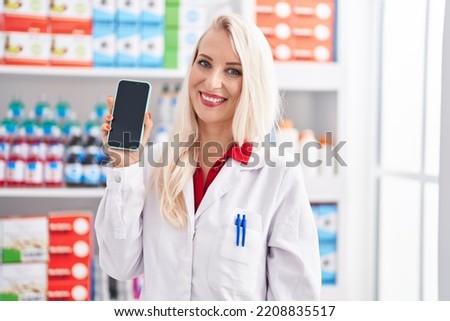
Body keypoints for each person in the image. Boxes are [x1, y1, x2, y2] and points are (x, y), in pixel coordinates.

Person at [95, 13, 321, 300]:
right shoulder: (154, 165)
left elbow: (295, 298)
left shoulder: (277, 175)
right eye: (204, 63)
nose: (212, 82)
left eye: (233, 71)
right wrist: (124, 166)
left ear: (253, 84)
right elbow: (119, 264)